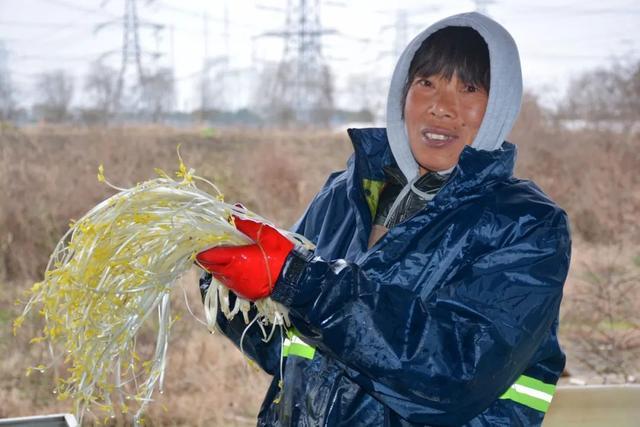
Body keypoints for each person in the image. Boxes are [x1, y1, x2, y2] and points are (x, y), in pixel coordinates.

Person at [197, 11, 571, 427]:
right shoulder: (344, 193)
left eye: (469, 88)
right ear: (402, 93)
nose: (442, 108)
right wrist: (230, 285)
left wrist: (300, 281)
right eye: (426, 83)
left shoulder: (526, 225)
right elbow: (283, 350)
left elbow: (455, 373)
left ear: (500, 103)